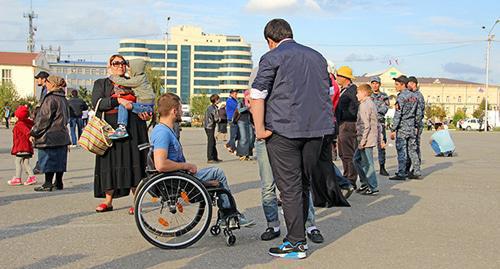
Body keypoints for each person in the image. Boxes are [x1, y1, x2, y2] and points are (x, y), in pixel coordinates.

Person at [251, 19, 335, 259]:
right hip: (316, 131)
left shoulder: (273, 56)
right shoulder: (317, 57)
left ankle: (296, 243)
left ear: (270, 40)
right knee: (303, 183)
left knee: (289, 187)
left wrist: (260, 129)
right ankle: (302, 234)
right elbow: (329, 92)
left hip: (284, 130)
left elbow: (257, 93)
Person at [151, 93, 254, 226]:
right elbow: (161, 164)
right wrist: (186, 166)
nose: (182, 112)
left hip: (179, 176)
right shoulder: (162, 133)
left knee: (215, 173)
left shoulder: (164, 130)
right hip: (178, 179)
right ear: (174, 111)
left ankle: (226, 213)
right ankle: (229, 214)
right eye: (181, 109)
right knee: (217, 173)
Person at [92, 54, 150, 213]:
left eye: (123, 63)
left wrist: (146, 114)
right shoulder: (101, 83)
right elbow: (97, 104)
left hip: (133, 127)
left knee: (134, 163)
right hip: (110, 128)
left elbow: (145, 101)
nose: (120, 66)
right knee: (109, 163)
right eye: (116, 63)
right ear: (109, 65)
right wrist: (118, 101)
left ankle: (136, 201)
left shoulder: (134, 82)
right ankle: (108, 200)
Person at [30, 75, 71, 191]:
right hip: (62, 134)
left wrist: (34, 132)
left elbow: (43, 118)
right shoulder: (63, 98)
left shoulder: (50, 98)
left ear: (52, 84)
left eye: (47, 81)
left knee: (48, 159)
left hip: (50, 135)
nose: (45, 83)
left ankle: (47, 184)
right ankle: (58, 182)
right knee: (60, 160)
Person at [109, 58, 155, 140]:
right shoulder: (140, 78)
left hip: (144, 106)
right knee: (122, 106)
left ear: (136, 69)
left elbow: (124, 82)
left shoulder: (138, 79)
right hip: (145, 105)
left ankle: (122, 129)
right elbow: (134, 90)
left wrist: (112, 77)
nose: (128, 70)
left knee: (124, 105)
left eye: (129, 68)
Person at [389, 75, 421, 180]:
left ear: (403, 85)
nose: (395, 87)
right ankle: (416, 170)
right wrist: (416, 125)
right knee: (413, 150)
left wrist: (393, 128)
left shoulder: (401, 97)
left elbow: (398, 114)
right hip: (412, 127)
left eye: (397, 84)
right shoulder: (415, 96)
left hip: (403, 127)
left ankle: (402, 172)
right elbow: (418, 113)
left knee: (401, 150)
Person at [335, 66, 359, 188]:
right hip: (342, 124)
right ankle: (346, 176)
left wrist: (343, 114)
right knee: (343, 153)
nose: (337, 78)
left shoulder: (352, 91)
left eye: (339, 75)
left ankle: (351, 179)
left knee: (348, 153)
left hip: (348, 124)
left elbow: (355, 110)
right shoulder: (344, 90)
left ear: (345, 78)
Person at [353, 84, 379, 195]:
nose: (356, 95)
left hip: (366, 139)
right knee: (356, 159)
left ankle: (372, 187)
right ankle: (365, 183)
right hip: (368, 138)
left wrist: (362, 142)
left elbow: (365, 125)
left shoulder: (364, 105)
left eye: (358, 92)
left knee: (367, 163)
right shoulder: (371, 103)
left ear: (364, 93)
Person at [7, 105, 37, 186]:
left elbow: (26, 131)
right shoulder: (26, 122)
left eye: (16, 116)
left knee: (17, 161)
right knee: (26, 163)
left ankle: (17, 178)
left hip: (21, 147)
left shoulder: (20, 124)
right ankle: (32, 177)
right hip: (27, 147)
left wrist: (29, 136)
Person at [370, 76, 390, 176]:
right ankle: (369, 168)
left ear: (379, 84)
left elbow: (385, 108)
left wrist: (373, 110)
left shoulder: (384, 96)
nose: (375, 85)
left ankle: (382, 167)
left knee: (381, 146)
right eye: (373, 83)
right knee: (368, 146)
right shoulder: (368, 95)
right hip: (370, 124)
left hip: (380, 123)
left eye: (376, 83)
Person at [33, 71, 50, 175]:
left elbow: (44, 105)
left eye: (39, 78)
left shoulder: (47, 90)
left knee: (42, 143)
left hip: (44, 119)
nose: (37, 80)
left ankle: (41, 165)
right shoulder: (44, 89)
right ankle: (40, 164)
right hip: (42, 117)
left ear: (44, 79)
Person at [407, 76, 425, 175]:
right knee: (412, 147)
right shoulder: (412, 95)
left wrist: (416, 126)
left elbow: (420, 112)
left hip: (416, 125)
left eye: (409, 83)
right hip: (412, 124)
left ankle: (416, 169)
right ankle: (413, 167)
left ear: (413, 84)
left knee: (415, 147)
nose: (407, 85)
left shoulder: (418, 95)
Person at [236, 90, 254, 161]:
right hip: (241, 121)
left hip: (249, 121)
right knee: (243, 138)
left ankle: (248, 154)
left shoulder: (252, 101)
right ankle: (242, 154)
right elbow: (239, 110)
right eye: (248, 95)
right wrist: (247, 107)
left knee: (251, 138)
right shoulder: (241, 101)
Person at [204, 94, 222, 163]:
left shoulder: (212, 107)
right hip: (209, 126)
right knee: (211, 142)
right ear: (215, 100)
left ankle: (215, 157)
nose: (219, 100)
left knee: (213, 141)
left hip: (209, 126)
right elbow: (216, 118)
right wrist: (222, 120)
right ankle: (210, 158)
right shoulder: (213, 108)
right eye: (218, 99)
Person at [225, 89, 239, 153]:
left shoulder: (234, 100)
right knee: (233, 135)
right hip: (232, 119)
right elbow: (237, 107)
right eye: (235, 94)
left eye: (236, 94)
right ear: (231, 94)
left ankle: (228, 144)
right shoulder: (229, 100)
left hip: (235, 119)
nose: (236, 95)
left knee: (237, 134)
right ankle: (232, 148)